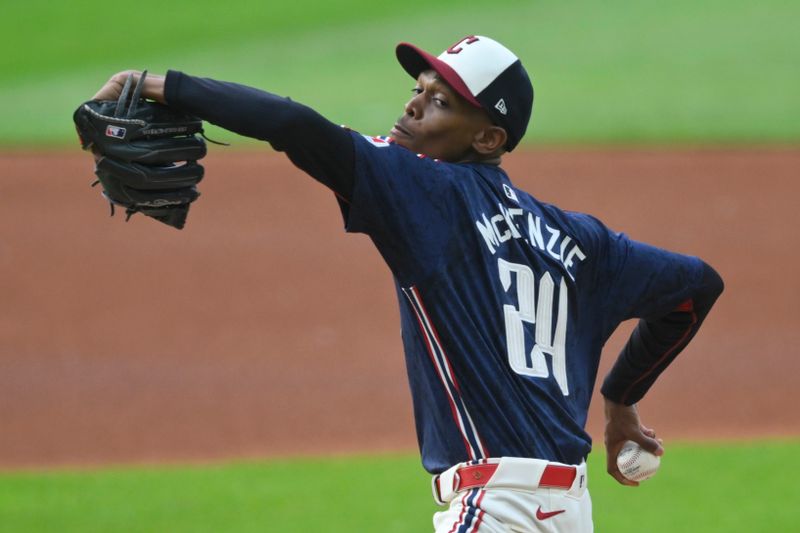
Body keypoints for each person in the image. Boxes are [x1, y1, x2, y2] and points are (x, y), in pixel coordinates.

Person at [91, 35, 723, 532]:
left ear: (489, 138)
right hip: (568, 513)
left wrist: (161, 85)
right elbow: (696, 287)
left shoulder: (426, 190)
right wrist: (620, 399)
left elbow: (294, 126)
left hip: (494, 512)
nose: (413, 106)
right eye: (420, 89)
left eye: (441, 101)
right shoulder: (586, 243)